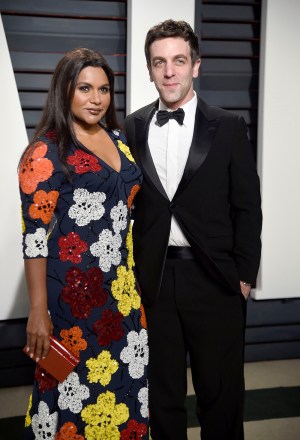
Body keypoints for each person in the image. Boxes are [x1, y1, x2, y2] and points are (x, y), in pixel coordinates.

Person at [124, 19, 262, 440]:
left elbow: (247, 206)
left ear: (195, 66)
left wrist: (242, 277)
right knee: (161, 397)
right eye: (159, 62)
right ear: (149, 69)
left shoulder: (228, 126)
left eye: (178, 61)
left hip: (216, 281)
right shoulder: (130, 128)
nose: (169, 71)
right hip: (155, 282)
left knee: (220, 398)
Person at [19, 48, 149, 440]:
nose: (96, 99)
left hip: (123, 297)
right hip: (72, 305)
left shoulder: (119, 140)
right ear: (64, 91)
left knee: (125, 391)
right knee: (71, 397)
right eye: (85, 88)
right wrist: (38, 310)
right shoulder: (45, 152)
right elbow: (34, 238)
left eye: (104, 89)